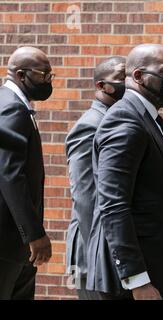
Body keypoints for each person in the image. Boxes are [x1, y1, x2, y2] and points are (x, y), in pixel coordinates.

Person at [86, 44, 163, 300]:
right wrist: (137, 279)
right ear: (137, 76)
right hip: (134, 284)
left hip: (158, 272)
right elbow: (113, 204)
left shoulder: (151, 120)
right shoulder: (125, 119)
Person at [65, 56, 126, 299]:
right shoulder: (91, 125)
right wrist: (106, 252)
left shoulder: (118, 121)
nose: (129, 83)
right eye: (122, 77)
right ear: (101, 86)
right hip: (93, 252)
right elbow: (86, 197)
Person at [0, 46, 53, 299]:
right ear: (21, 75)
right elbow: (10, 175)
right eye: (44, 75)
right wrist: (34, 234)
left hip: (14, 247)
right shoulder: (11, 108)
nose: (48, 81)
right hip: (7, 244)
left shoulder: (16, 105)